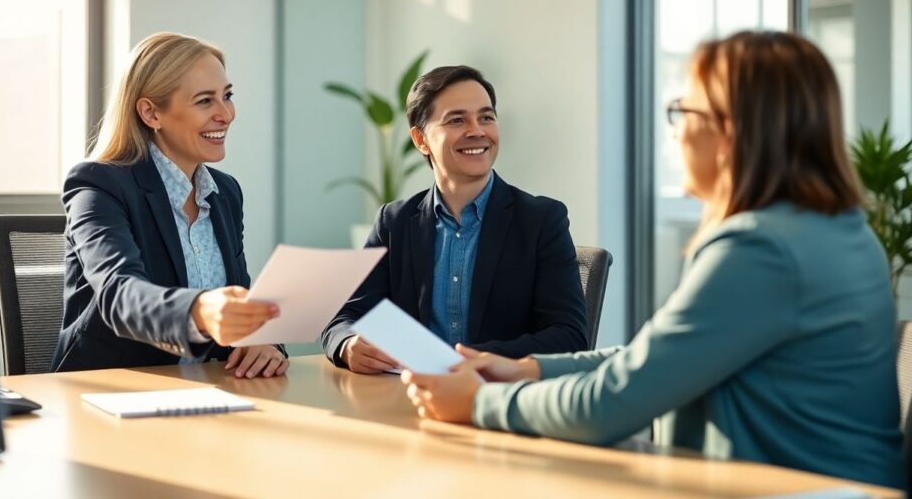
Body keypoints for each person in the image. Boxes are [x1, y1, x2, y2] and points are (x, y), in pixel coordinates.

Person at [401, 31, 904, 489]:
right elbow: (661, 360)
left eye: (685, 113)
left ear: (732, 132)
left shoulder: (759, 250)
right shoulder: (835, 229)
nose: (676, 133)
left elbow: (617, 403)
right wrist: (528, 369)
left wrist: (478, 403)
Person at [321, 65, 589, 374]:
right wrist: (348, 344)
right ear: (421, 139)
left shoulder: (542, 220)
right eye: (457, 120)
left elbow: (569, 336)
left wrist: (461, 360)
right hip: (409, 400)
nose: (477, 130)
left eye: (486, 117)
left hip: (501, 402)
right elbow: (344, 317)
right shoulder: (394, 222)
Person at [52, 32, 288, 378]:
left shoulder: (225, 193)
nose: (226, 114)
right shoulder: (98, 185)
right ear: (151, 113)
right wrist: (201, 311)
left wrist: (263, 342)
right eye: (205, 101)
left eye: (227, 96)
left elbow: (240, 300)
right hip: (110, 391)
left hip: (207, 393)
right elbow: (120, 296)